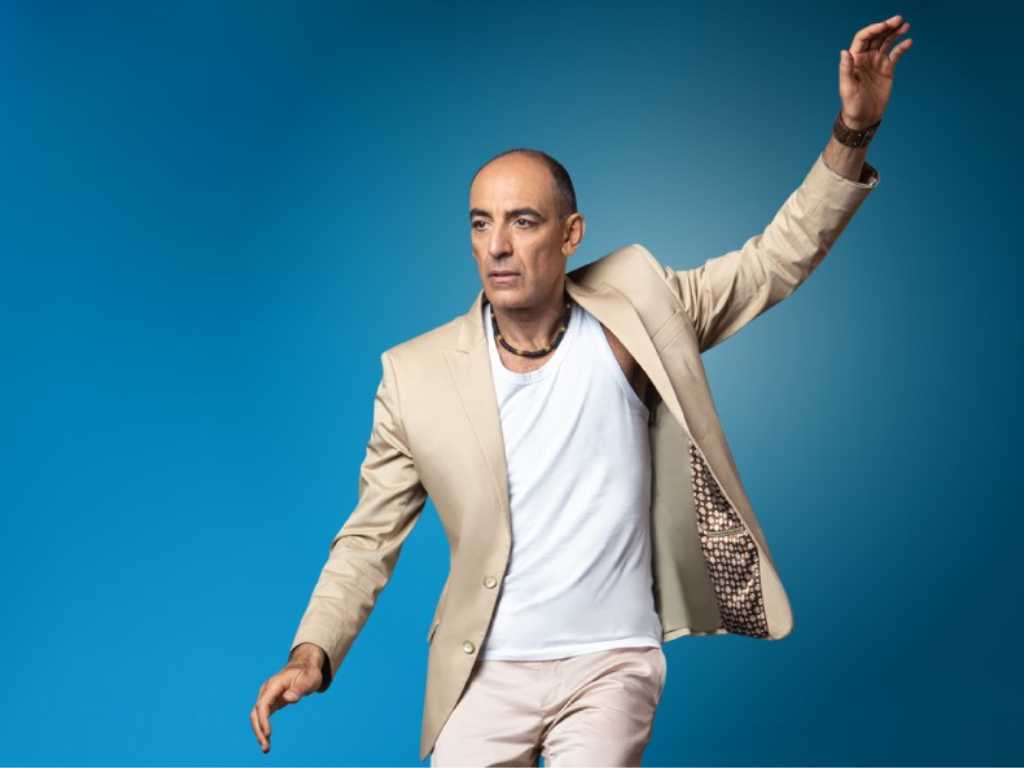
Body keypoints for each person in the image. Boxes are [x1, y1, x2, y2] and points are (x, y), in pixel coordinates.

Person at [251, 15, 912, 765]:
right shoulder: (415, 376)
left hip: (612, 662)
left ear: (570, 235)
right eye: (481, 224)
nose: (498, 246)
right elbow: (369, 537)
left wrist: (853, 132)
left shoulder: (641, 312)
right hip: (485, 673)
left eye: (523, 222)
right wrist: (313, 651)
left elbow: (773, 263)